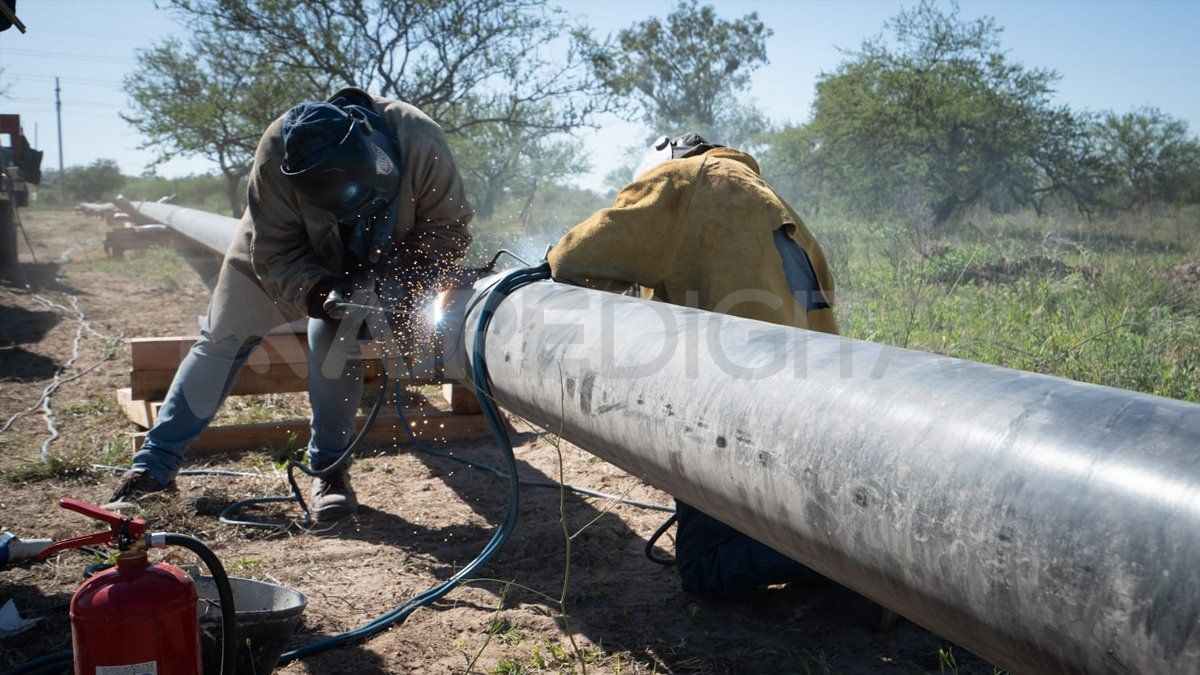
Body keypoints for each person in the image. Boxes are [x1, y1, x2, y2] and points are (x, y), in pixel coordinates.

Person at [107, 88, 472, 522]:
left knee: (337, 349)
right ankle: (152, 469)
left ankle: (329, 472)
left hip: (389, 253)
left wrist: (397, 282)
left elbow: (448, 230)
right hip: (290, 251)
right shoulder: (277, 151)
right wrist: (319, 292)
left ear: (375, 145)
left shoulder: (419, 140)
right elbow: (276, 251)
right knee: (221, 339)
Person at [547, 133, 837, 598]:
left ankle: (854, 570)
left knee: (703, 569)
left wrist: (543, 266)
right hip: (812, 404)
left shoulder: (684, 181)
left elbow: (575, 258)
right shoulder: (771, 202)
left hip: (732, 407)